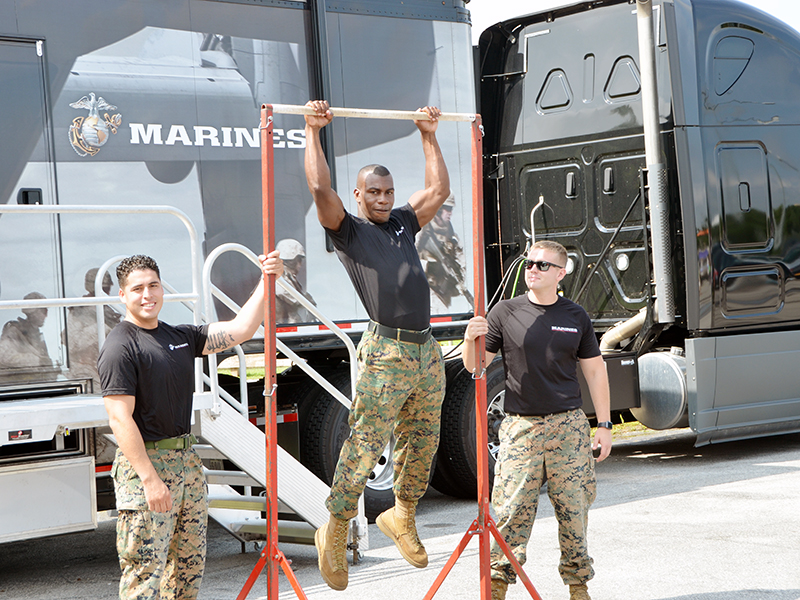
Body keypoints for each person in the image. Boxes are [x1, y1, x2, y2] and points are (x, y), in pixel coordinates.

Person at [304, 99, 450, 590]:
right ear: (359, 194)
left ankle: (402, 514)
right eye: (374, 191)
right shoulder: (349, 230)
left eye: (388, 191)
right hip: (386, 349)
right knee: (366, 441)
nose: (384, 198)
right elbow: (319, 187)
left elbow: (438, 190)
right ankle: (337, 526)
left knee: (424, 438)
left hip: (425, 350)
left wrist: (427, 134)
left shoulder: (405, 223)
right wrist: (312, 130)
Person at [98, 251, 283, 600]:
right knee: (145, 576)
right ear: (122, 295)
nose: (147, 295)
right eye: (137, 288)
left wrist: (266, 280)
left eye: (153, 285)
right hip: (146, 471)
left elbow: (241, 329)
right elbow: (119, 419)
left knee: (187, 571)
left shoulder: (180, 336)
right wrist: (151, 481)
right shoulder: (120, 346)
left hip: (186, 464)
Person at [462, 240, 613, 600]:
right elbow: (476, 367)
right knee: (512, 511)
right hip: (521, 428)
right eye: (529, 263)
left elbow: (595, 372)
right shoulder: (504, 313)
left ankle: (578, 587)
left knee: (574, 511)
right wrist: (471, 340)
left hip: (569, 428)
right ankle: (497, 586)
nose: (532, 269)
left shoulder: (575, 316)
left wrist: (604, 426)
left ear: (560, 273)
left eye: (542, 265)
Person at [62, 268, 122, 388]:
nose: (107, 291)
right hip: (87, 375)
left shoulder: (110, 311)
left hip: (110, 371)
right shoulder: (79, 311)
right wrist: (101, 328)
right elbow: (72, 343)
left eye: (107, 287)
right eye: (103, 288)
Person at [416, 193, 473, 311]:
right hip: (424, 289)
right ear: (438, 210)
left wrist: (457, 280)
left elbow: (461, 265)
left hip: (443, 293)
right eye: (447, 208)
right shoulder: (421, 232)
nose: (450, 213)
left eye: (451, 209)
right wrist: (428, 266)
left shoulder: (453, 237)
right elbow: (405, 260)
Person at [0, 291, 59, 381]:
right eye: (43, 311)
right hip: (17, 387)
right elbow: (4, 355)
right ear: (33, 312)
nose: (46, 315)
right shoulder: (14, 331)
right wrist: (37, 361)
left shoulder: (36, 334)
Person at [275, 238, 317, 323]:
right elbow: (283, 292)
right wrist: (306, 300)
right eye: (299, 260)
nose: (300, 265)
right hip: (278, 327)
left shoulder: (287, 276)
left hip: (283, 326)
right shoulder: (277, 275)